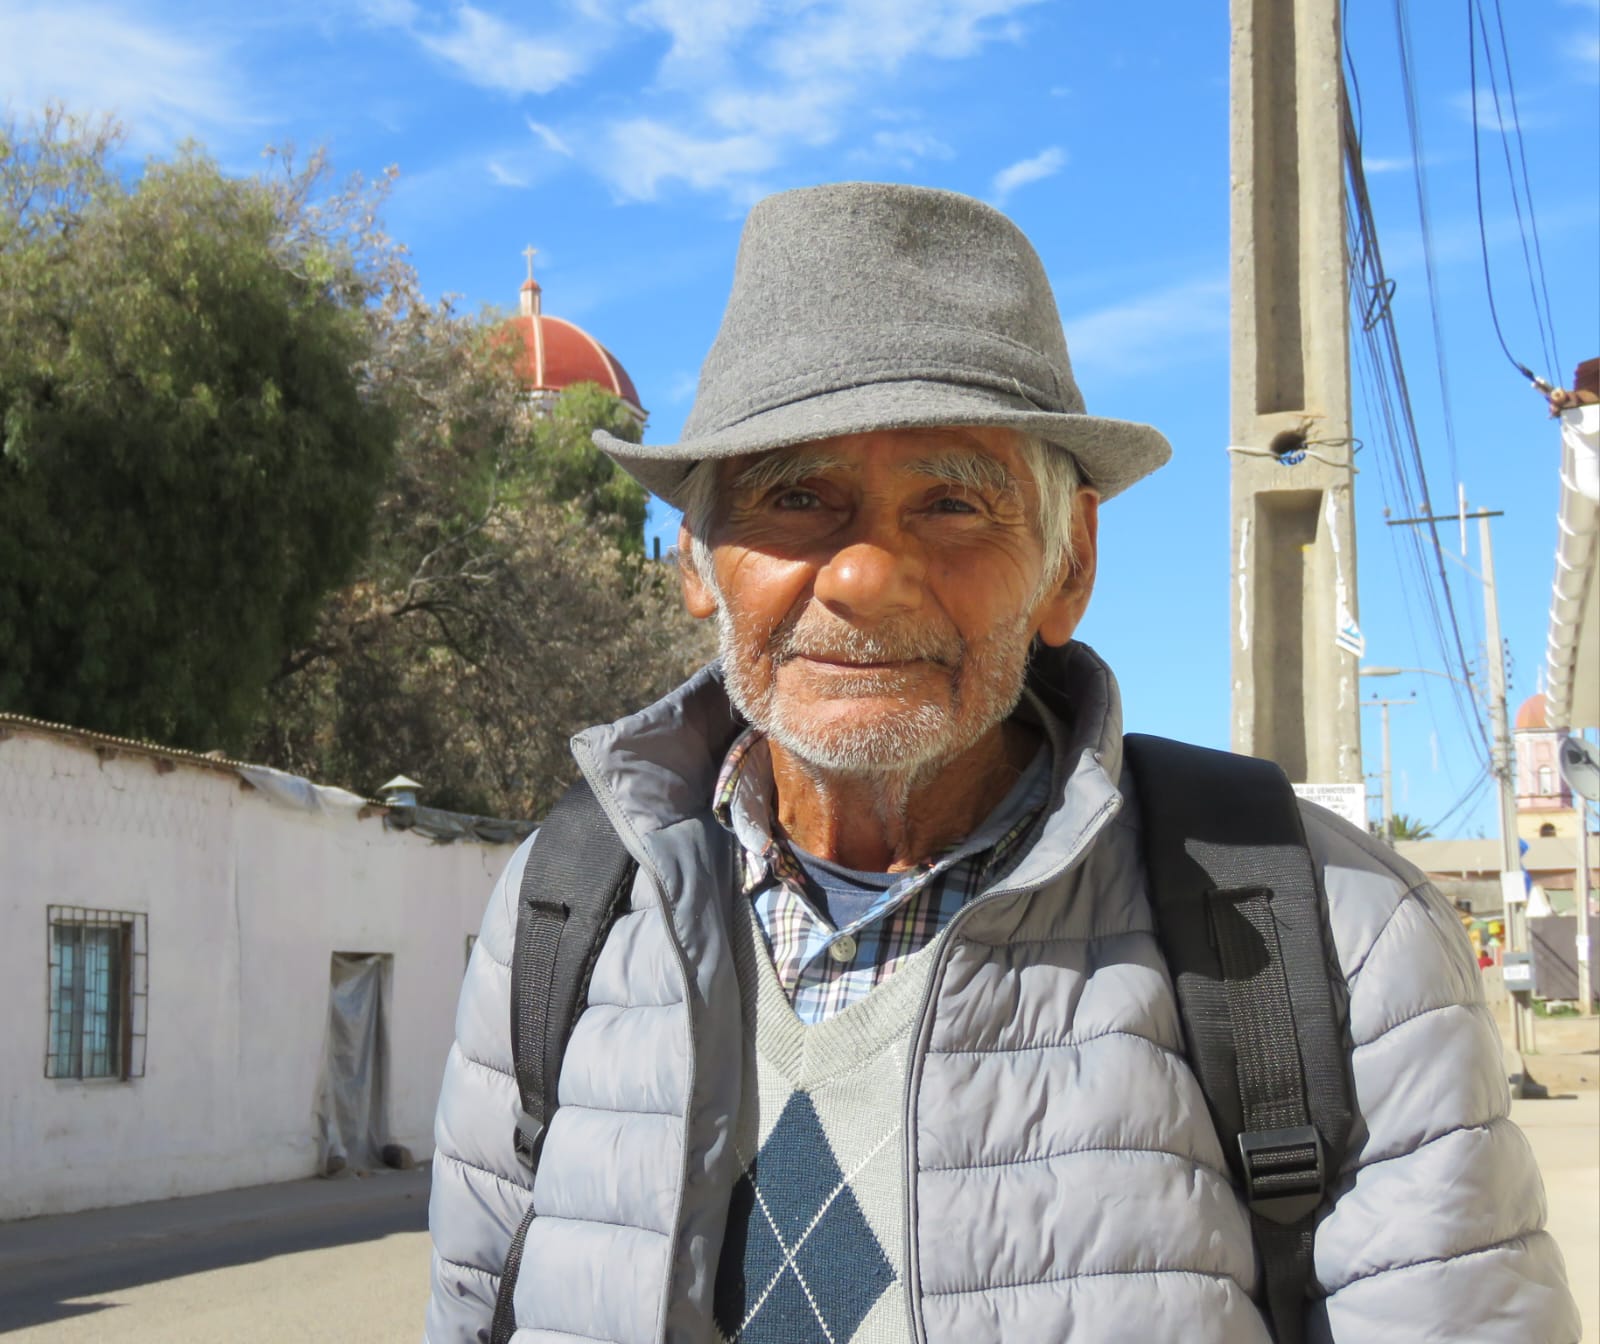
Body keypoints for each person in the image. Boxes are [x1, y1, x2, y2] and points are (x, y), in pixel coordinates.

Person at [426, 183, 1577, 1343]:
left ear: (1068, 563)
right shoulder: (563, 911)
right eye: (795, 495)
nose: (865, 577)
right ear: (698, 563)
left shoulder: (1335, 939)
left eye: (951, 501)